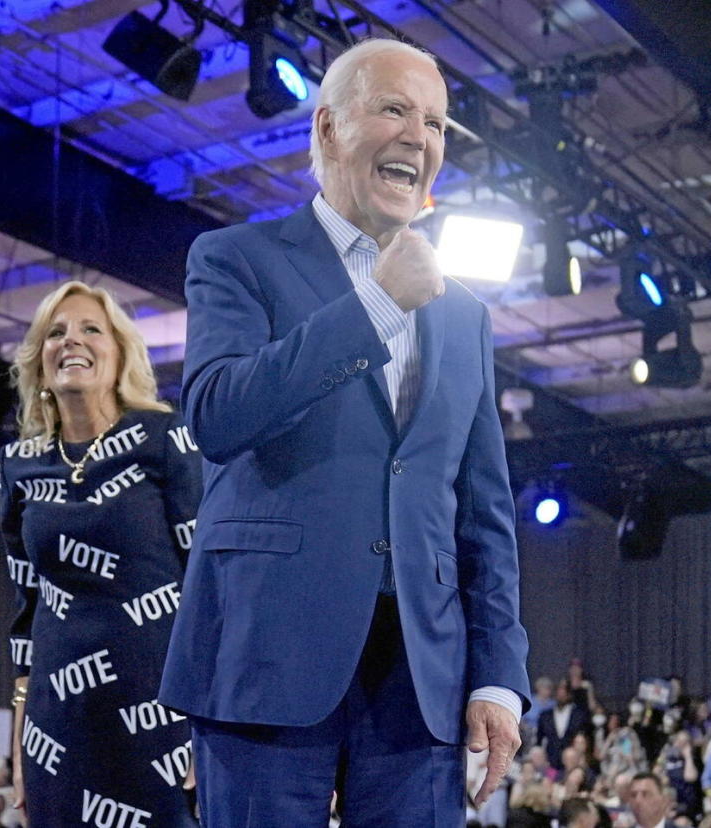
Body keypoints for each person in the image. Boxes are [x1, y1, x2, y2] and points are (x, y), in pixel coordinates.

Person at [159, 36, 530, 827]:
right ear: (327, 128)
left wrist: (499, 675)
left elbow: (483, 512)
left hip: (422, 682)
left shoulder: (464, 315)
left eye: (434, 123)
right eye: (394, 109)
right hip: (265, 661)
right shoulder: (235, 259)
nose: (418, 137)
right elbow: (219, 415)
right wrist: (375, 306)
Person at [0, 280, 202, 826]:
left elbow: (210, 586)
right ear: (39, 362)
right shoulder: (18, 465)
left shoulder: (165, 437)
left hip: (161, 708)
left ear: (120, 353)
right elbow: (27, 610)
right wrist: (21, 733)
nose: (73, 340)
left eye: (92, 329)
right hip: (59, 718)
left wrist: (210, 723)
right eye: (56, 332)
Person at [542, 680, 593, 772]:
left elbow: (584, 736)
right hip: (551, 762)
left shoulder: (579, 715)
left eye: (564, 693)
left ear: (570, 695)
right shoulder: (545, 716)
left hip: (573, 762)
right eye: (558, 693)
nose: (561, 696)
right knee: (549, 782)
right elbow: (540, 739)